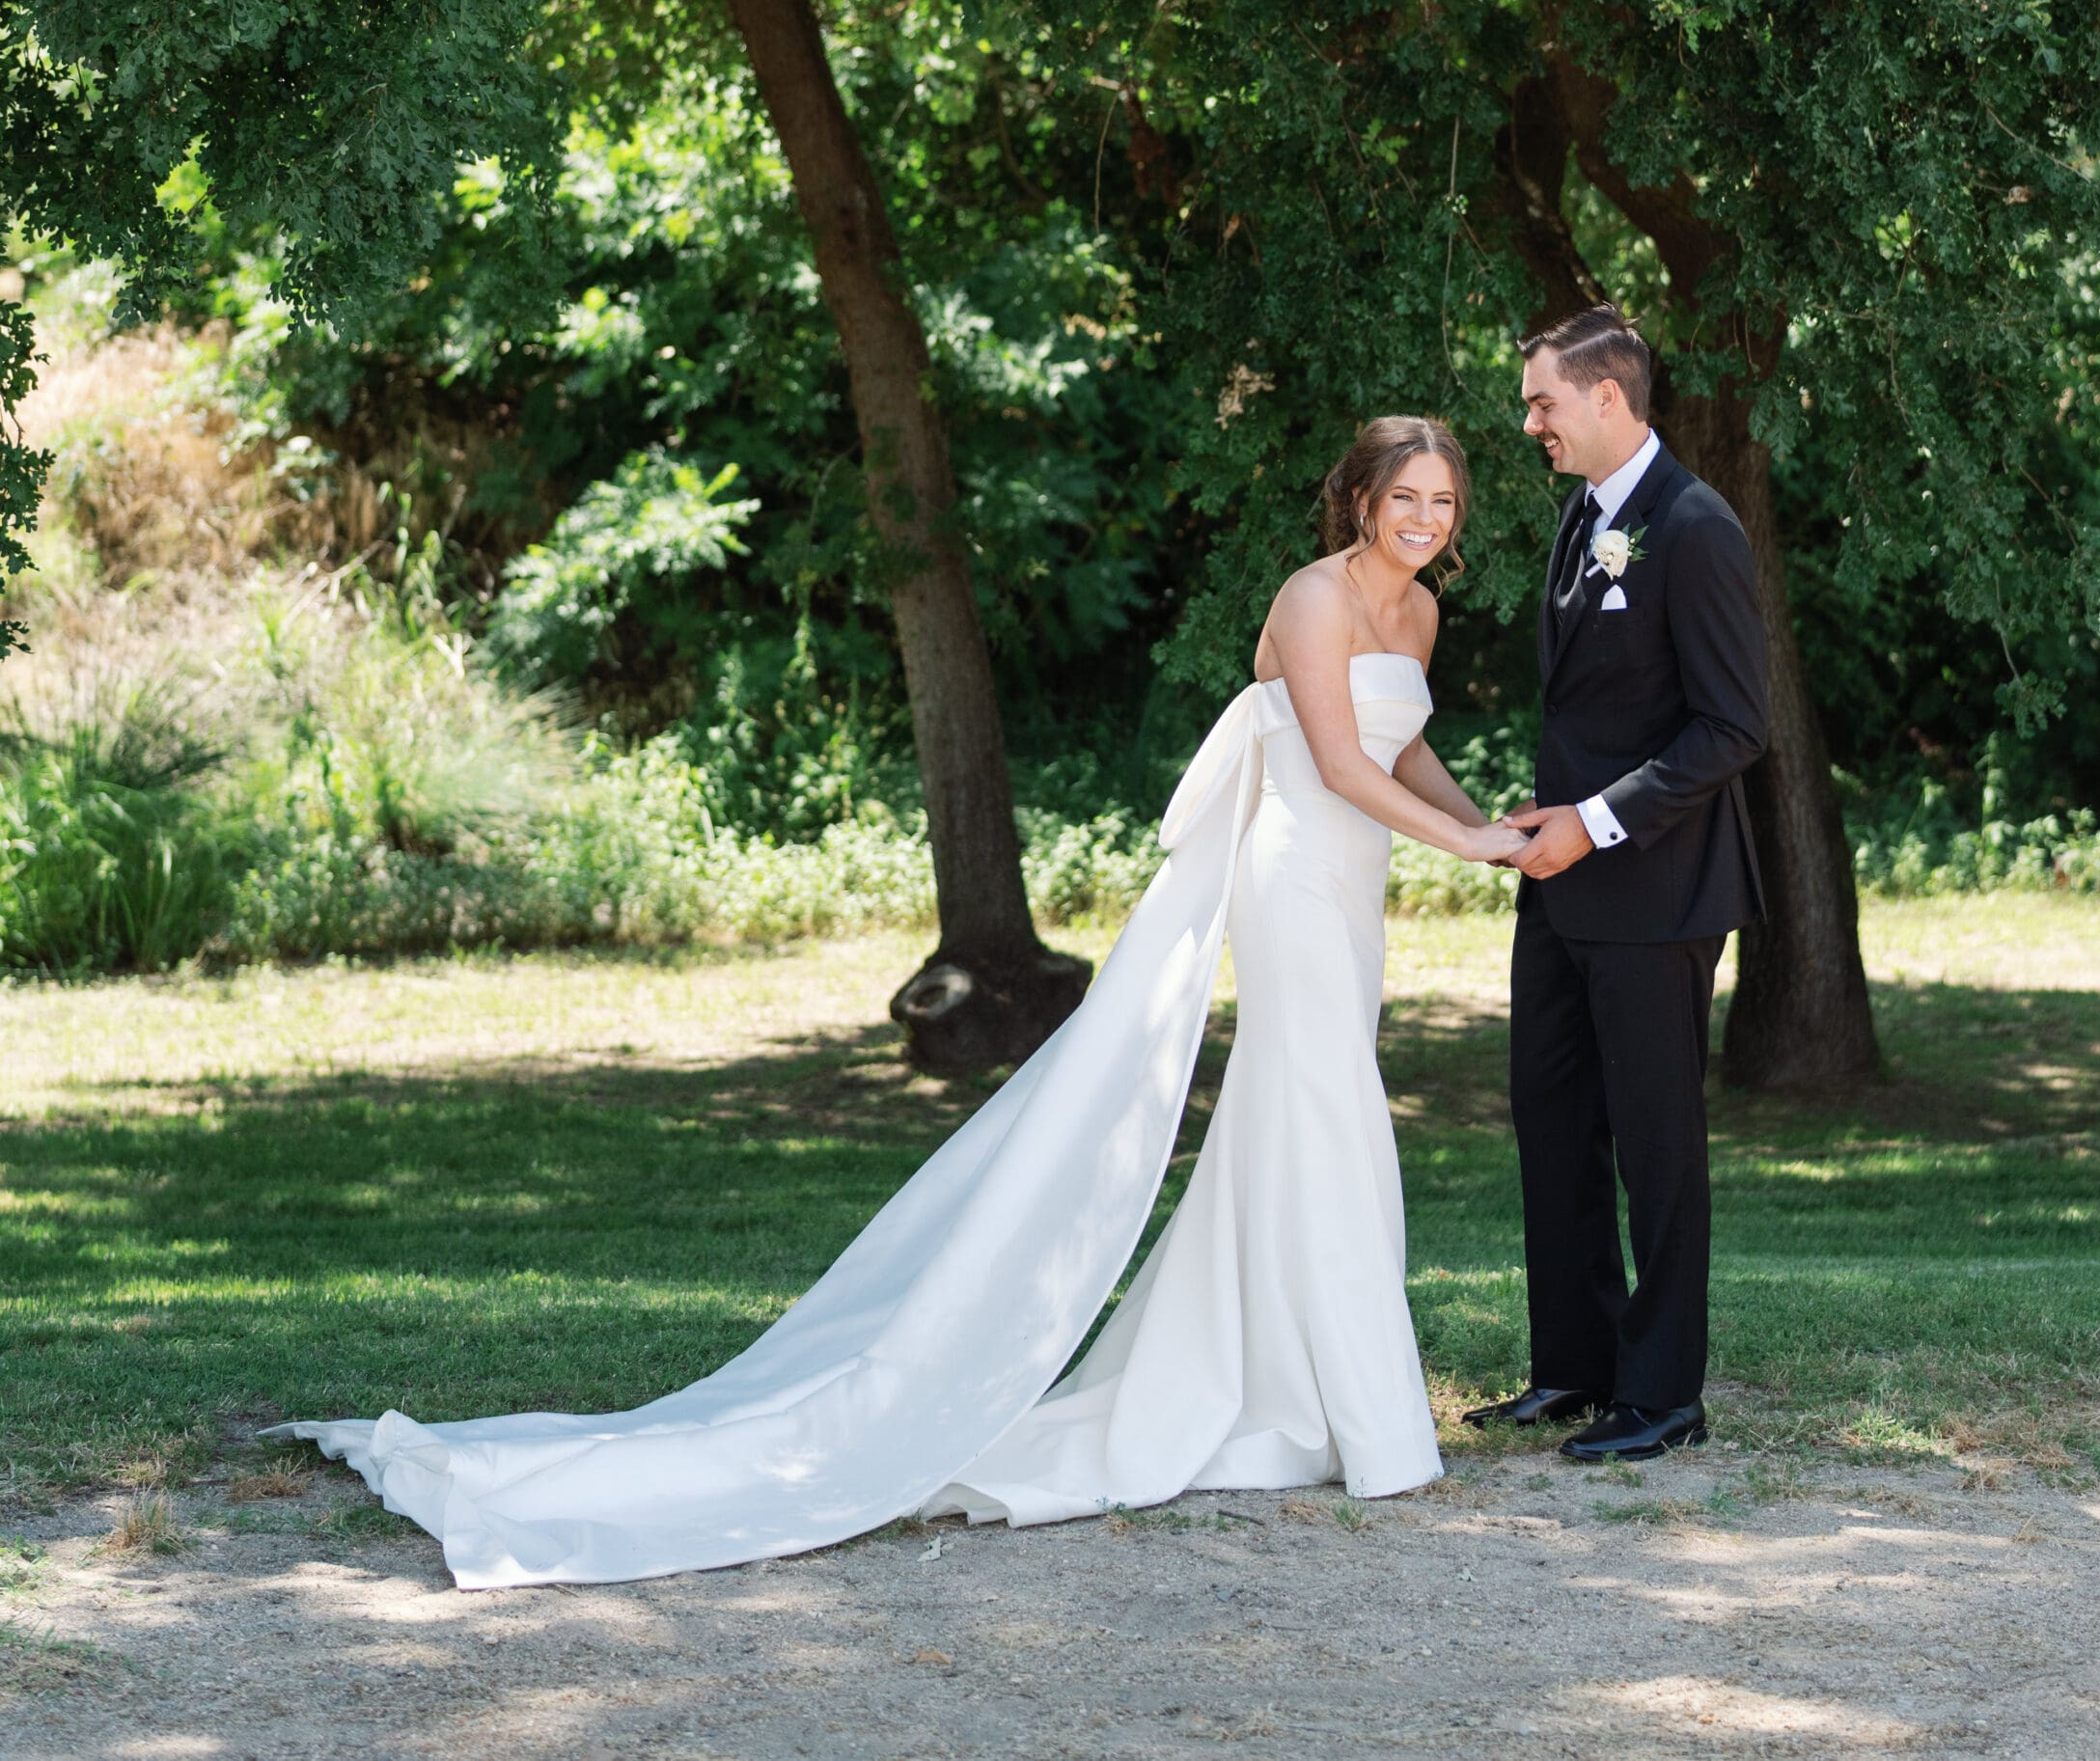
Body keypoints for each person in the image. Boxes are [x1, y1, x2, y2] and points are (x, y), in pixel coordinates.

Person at [269, 415, 1528, 1589]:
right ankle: (1366, 1420)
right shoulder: (1311, 596)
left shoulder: (1415, 614)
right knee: (1327, 1111)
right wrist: (1467, 854)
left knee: (1305, 1119)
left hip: (1357, 895)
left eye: (1442, 500)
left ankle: (1292, 1397)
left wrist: (1491, 825)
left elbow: (1404, 748)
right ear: (1360, 496)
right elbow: (1339, 760)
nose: (1423, 516)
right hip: (1295, 879)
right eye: (1403, 495)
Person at [1464, 304, 1771, 1464]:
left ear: (1608, 396)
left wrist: (1591, 825)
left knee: (1656, 1144)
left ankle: (1662, 1395)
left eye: (1542, 399)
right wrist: (1550, 828)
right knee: (1552, 1124)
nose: (1529, 419)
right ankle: (1574, 1367)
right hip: (1558, 886)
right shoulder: (1579, 519)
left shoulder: (1694, 527)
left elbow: (1733, 726)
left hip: (1656, 890)